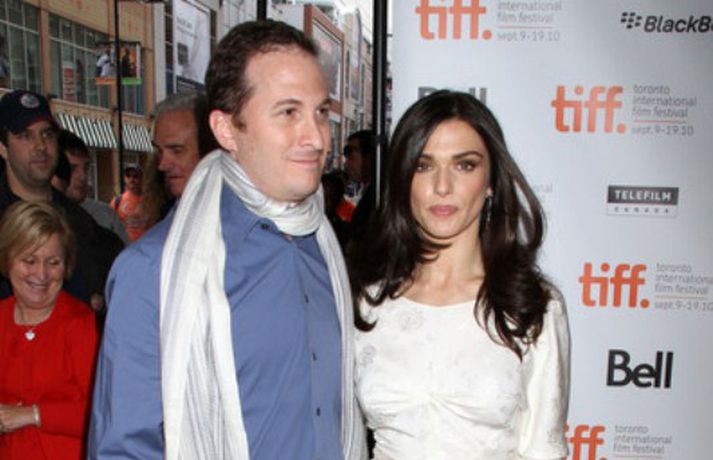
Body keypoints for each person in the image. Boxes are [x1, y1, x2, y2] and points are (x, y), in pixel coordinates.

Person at [89, 20, 366, 460]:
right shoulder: (154, 271)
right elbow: (124, 449)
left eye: (319, 112)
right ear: (226, 129)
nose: (316, 138)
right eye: (288, 112)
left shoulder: (327, 251)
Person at [350, 90, 570, 459]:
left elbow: (544, 451)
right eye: (424, 165)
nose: (442, 186)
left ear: (490, 181)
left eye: (465, 165)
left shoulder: (533, 305)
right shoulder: (367, 300)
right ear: (403, 179)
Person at [0, 90, 123, 307]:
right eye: (25, 136)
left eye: (47, 134)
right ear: (3, 148)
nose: (40, 145)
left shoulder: (82, 226)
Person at [0, 201, 99, 459]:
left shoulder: (82, 324)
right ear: (8, 261)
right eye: (29, 260)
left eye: (53, 262)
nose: (41, 274)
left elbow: (102, 411)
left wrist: (32, 414)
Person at [142, 91, 219, 225]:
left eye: (176, 150)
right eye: (159, 151)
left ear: (210, 148)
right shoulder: (162, 223)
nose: (162, 165)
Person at [57, 130, 129, 244]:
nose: (82, 176)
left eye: (86, 168)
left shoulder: (105, 216)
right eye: (72, 169)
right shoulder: (40, 217)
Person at [110, 164, 148, 241]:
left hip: (146, 245)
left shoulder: (151, 201)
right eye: (128, 176)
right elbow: (110, 225)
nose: (131, 179)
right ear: (125, 179)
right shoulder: (117, 201)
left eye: (135, 176)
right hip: (125, 245)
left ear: (142, 179)